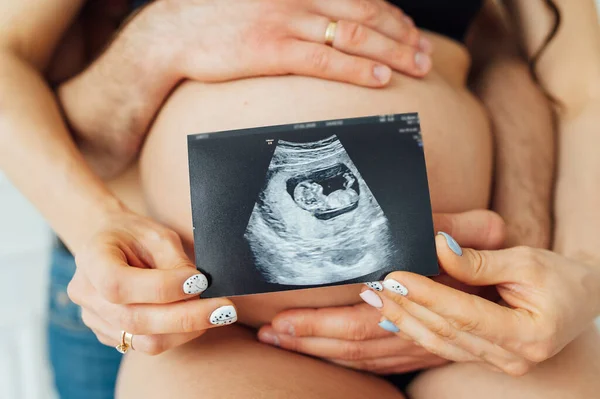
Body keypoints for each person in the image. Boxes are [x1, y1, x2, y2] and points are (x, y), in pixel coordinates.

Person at [0, 1, 597, 399]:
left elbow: (579, 81)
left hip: (477, 309)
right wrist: (93, 225)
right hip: (209, 328)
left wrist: (583, 267)